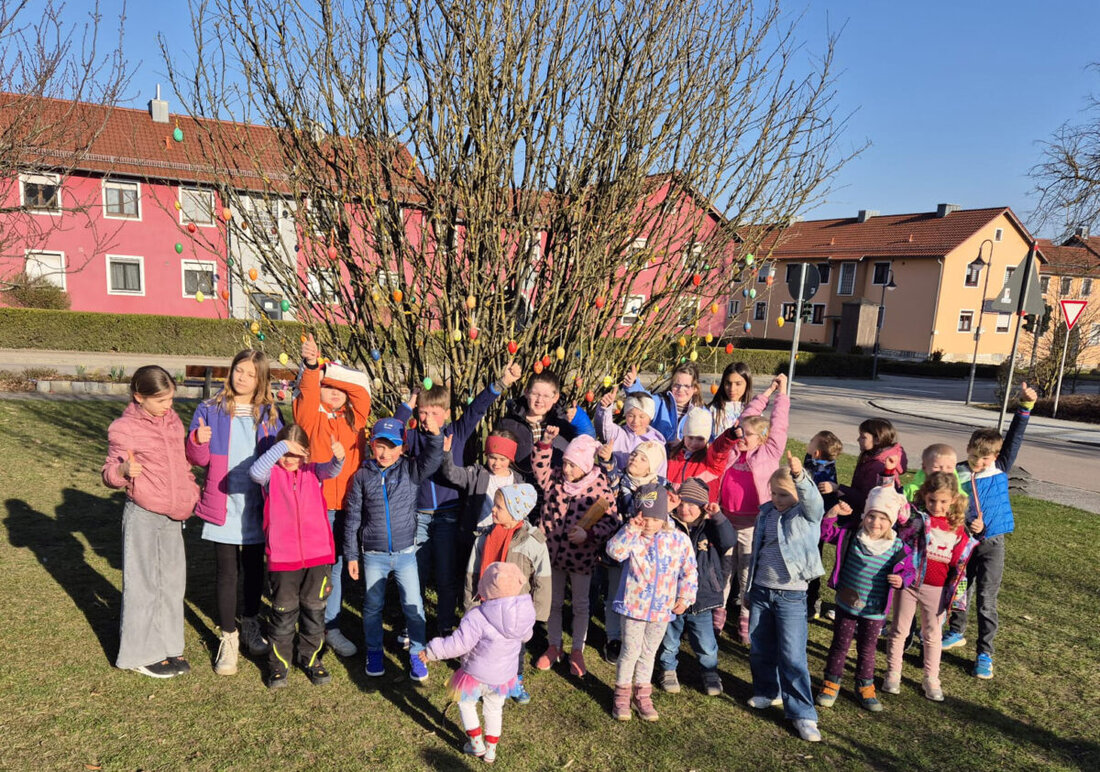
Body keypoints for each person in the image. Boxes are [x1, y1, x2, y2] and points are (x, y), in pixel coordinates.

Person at [394, 361, 522, 637]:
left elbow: (477, 408)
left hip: (449, 515)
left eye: (434, 413)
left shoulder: (456, 433)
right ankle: (411, 624)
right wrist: (409, 404)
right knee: (416, 573)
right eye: (423, 412)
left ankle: (443, 624)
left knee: (445, 575)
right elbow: (394, 427)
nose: (427, 417)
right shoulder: (414, 437)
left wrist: (501, 383)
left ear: (446, 414)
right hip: (419, 517)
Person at [187, 349, 283, 675]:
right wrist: (197, 440)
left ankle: (251, 623)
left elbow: (278, 457)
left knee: (255, 568)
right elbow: (197, 458)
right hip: (223, 503)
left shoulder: (268, 414)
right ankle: (229, 638)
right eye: (238, 370)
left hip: (256, 504)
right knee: (227, 572)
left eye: (250, 374)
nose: (242, 378)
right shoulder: (210, 409)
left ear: (260, 380)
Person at [103, 365, 200, 678]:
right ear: (138, 397)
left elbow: (181, 461)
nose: (168, 406)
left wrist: (190, 489)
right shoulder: (123, 428)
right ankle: (141, 654)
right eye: (160, 401)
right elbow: (108, 473)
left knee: (172, 585)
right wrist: (121, 472)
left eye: (170, 399)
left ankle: (170, 646)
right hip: (143, 515)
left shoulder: (172, 421)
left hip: (172, 516)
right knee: (143, 586)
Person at [942, 382, 1036, 680]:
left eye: (985, 458)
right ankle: (955, 632)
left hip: (992, 544)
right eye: (974, 455)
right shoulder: (958, 471)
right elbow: (945, 502)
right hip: (965, 543)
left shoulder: (1000, 468)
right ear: (967, 450)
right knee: (959, 590)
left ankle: (985, 653)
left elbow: (1015, 438)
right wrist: (966, 524)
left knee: (986, 599)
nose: (979, 462)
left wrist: (1024, 406)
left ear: (995, 457)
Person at [344, 416, 443, 681]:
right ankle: (374, 651)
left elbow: (433, 459)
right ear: (372, 445)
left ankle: (417, 653)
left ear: (403, 448)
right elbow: (353, 517)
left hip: (405, 555)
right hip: (373, 556)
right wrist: (352, 555)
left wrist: (435, 436)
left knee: (414, 606)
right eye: (380, 445)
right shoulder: (362, 476)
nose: (385, 452)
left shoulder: (410, 470)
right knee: (373, 607)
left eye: (392, 446)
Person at [294, 334, 372, 658]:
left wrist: (331, 372)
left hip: (347, 506)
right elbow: (309, 391)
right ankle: (307, 624)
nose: (336, 394)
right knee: (314, 567)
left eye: (341, 390)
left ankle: (332, 626)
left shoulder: (354, 420)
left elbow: (363, 390)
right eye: (329, 388)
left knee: (337, 566)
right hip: (319, 505)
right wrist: (314, 368)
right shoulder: (310, 416)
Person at [249, 425, 345, 688]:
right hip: (283, 560)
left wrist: (338, 457)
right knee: (283, 613)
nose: (289, 460)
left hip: (318, 558)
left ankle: (311, 658)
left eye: (295, 454)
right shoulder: (270, 476)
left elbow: (333, 469)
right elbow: (254, 472)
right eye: (284, 453)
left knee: (314, 613)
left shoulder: (314, 472)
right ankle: (279, 664)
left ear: (306, 453)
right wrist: (282, 447)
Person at [744, 452, 825, 743]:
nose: (777, 499)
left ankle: (803, 714)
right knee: (760, 646)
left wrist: (800, 476)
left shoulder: (806, 515)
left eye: (783, 495)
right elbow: (758, 553)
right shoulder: (766, 513)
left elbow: (814, 502)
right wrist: (750, 590)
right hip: (762, 591)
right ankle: (768, 690)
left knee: (792, 655)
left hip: (791, 596)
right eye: (774, 493)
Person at [421, 562, 536, 765]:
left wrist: (432, 651)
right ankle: (490, 750)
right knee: (494, 709)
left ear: (486, 588)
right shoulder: (523, 614)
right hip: (504, 676)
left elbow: (457, 645)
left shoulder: (477, 615)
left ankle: (476, 743)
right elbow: (527, 636)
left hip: (475, 674)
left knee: (466, 703)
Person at [815, 487, 914, 712]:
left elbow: (910, 571)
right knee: (840, 645)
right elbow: (824, 534)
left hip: (874, 610)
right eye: (871, 515)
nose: (875, 522)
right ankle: (831, 683)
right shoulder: (850, 535)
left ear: (891, 522)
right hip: (846, 604)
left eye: (882, 518)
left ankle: (865, 686)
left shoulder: (898, 547)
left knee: (867, 649)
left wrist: (901, 579)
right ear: (864, 515)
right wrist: (831, 514)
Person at [531, 427, 620, 677]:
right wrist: (545, 446)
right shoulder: (556, 479)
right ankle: (553, 645)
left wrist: (588, 535)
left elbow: (612, 520)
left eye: (572, 465)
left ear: (585, 465)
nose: (567, 469)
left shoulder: (599, 485)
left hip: (581, 557)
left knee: (581, 605)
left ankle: (577, 649)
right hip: (551, 553)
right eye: (566, 463)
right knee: (553, 602)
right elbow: (540, 470)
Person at [607, 483, 697, 721]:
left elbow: (689, 570)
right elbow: (614, 553)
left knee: (648, 652)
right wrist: (629, 530)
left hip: (661, 609)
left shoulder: (678, 540)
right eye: (644, 517)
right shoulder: (633, 536)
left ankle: (642, 694)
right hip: (633, 607)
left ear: (663, 517)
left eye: (654, 519)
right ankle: (622, 695)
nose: (649, 523)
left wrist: (685, 596)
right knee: (630, 651)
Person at [884, 472, 973, 701]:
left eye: (943, 501)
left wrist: (954, 590)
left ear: (953, 499)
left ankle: (931, 678)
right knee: (899, 630)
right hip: (909, 583)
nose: (937, 506)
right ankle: (893, 673)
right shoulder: (917, 518)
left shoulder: (958, 528)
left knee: (932, 635)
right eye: (932, 500)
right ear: (925, 496)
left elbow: (957, 561)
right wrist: (889, 476)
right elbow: (896, 505)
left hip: (937, 589)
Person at [716, 373, 789, 644]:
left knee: (747, 571)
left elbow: (779, 425)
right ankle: (718, 613)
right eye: (741, 433)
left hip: (752, 525)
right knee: (724, 569)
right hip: (726, 520)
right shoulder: (733, 451)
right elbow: (746, 415)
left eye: (748, 435)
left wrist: (781, 394)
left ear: (762, 438)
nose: (742, 437)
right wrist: (767, 391)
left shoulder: (769, 453)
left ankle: (746, 617)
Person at [463, 483, 550, 705]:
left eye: (499, 507)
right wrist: (469, 604)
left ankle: (515, 680)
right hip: (487, 607)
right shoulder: (484, 538)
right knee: (486, 646)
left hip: (516, 610)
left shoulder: (533, 542)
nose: (493, 510)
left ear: (515, 511)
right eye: (494, 506)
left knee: (515, 649)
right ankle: (484, 682)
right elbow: (473, 572)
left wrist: (537, 614)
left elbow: (542, 578)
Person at [658, 477, 735, 697]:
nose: (685, 509)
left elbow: (729, 540)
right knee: (670, 638)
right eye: (681, 504)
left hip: (702, 596)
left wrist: (718, 516)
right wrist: (667, 509)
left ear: (702, 507)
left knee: (705, 642)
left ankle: (710, 672)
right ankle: (668, 669)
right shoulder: (670, 525)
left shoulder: (711, 527)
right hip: (673, 596)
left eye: (691, 505)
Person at [595, 440, 667, 663]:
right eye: (634, 455)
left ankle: (638, 636)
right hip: (621, 547)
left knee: (641, 594)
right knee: (615, 594)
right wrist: (606, 460)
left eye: (643, 458)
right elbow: (610, 474)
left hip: (647, 554)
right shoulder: (621, 480)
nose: (635, 459)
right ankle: (614, 637)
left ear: (652, 466)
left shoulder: (662, 486)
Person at [497, 370, 596, 480]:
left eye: (546, 396)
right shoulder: (509, 423)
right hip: (521, 487)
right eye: (535, 394)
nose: (539, 400)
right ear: (526, 392)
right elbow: (498, 457)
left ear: (555, 397)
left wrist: (579, 418)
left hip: (557, 487)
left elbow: (588, 441)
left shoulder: (563, 422)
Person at [803, 430, 844, 620]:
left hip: (815, 524)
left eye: (811, 441)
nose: (808, 442)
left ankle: (811, 600)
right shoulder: (816, 462)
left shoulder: (822, 470)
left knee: (812, 561)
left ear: (817, 453)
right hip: (810, 522)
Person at [664, 406, 739, 500]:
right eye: (690, 437)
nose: (694, 443)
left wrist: (730, 436)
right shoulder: (673, 456)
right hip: (674, 508)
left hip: (700, 510)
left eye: (700, 439)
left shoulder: (711, 461)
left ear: (707, 439)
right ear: (684, 436)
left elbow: (720, 449)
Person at [622, 362, 704, 443]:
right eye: (676, 385)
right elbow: (642, 398)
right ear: (671, 385)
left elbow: (706, 440)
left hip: (684, 455)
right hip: (656, 453)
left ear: (695, 388)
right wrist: (633, 384)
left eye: (686, 386)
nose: (680, 389)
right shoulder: (660, 402)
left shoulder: (701, 413)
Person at [841, 418, 908, 515]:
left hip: (871, 516)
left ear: (877, 440)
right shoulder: (870, 457)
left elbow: (867, 499)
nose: (858, 439)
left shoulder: (878, 466)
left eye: (863, 437)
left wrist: (840, 489)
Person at [595, 387, 666, 473]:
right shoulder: (617, 433)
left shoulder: (655, 444)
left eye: (642, 417)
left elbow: (660, 474)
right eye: (631, 416)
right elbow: (604, 426)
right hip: (612, 482)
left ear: (650, 416)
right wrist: (605, 408)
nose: (635, 421)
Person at [709, 362, 753, 437]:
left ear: (747, 384)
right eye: (728, 383)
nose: (732, 389)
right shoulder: (712, 410)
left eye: (738, 384)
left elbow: (764, 433)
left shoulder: (754, 409)